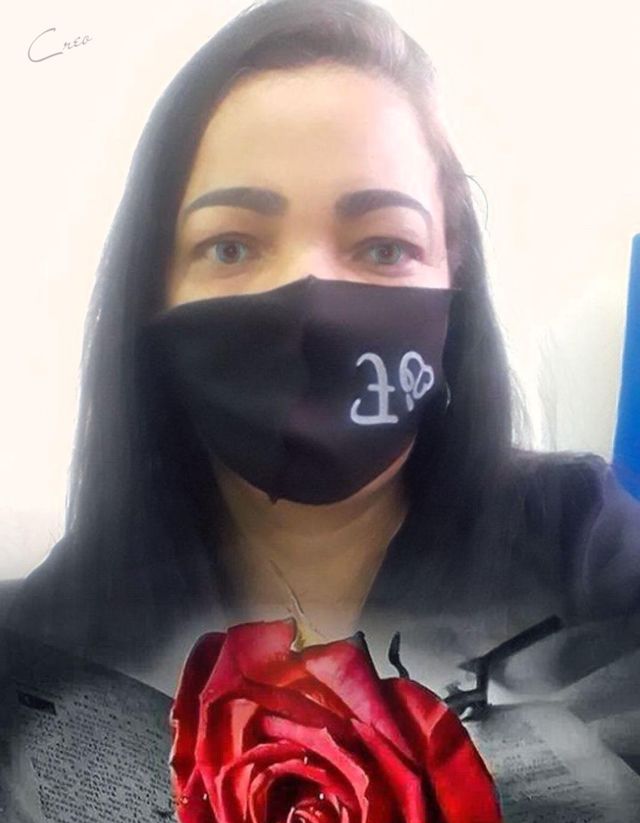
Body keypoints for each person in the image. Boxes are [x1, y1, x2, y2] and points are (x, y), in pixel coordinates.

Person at [3, 0, 640, 704]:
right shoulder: (45, 644)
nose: (313, 304)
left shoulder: (584, 551)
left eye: (384, 247)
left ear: (455, 281)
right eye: (231, 246)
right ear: (151, 290)